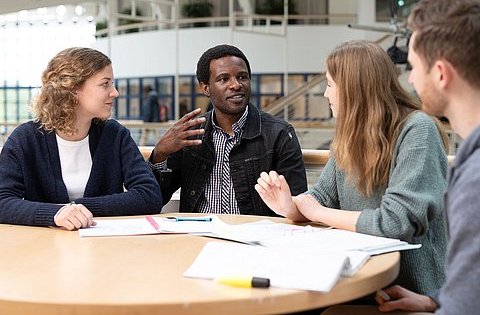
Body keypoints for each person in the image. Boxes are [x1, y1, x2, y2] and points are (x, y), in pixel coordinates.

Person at [255, 40, 448, 295]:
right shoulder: (349, 136)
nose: (325, 94)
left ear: (353, 88)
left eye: (330, 84)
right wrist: (290, 206)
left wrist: (317, 212)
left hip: (411, 292)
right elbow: (322, 197)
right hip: (357, 285)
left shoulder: (418, 130)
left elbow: (395, 223)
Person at [372, 0, 480, 315]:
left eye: (414, 66)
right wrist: (435, 300)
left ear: (441, 73)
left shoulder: (475, 180)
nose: (410, 79)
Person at [0, 47, 162, 230]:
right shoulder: (25, 139)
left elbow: (149, 196)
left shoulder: (115, 135)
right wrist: (55, 214)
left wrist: (79, 209)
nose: (115, 92)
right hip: (43, 250)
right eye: (105, 84)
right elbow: (2, 201)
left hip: (104, 249)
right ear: (73, 89)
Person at [149, 44, 307, 215]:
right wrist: (159, 154)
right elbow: (153, 198)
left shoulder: (279, 134)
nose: (236, 85)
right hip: (197, 237)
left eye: (242, 77)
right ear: (205, 88)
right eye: (224, 79)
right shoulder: (190, 135)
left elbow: (298, 204)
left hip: (254, 238)